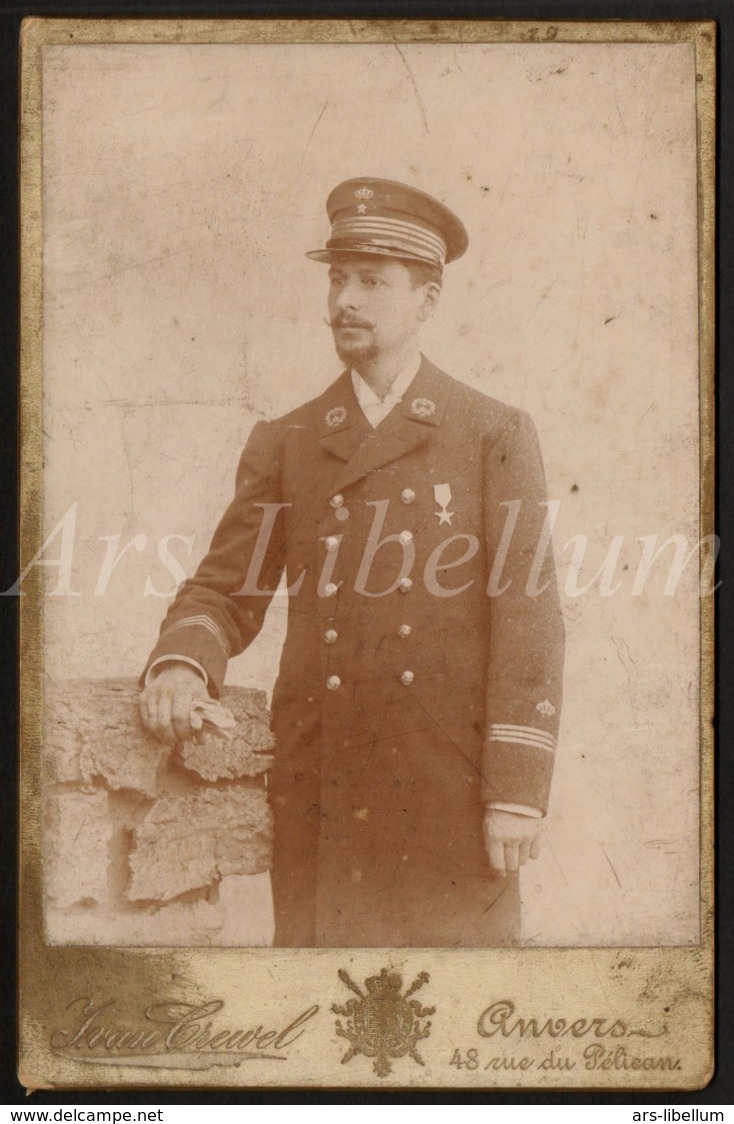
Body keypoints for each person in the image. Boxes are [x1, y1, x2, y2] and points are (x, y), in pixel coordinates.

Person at [139, 177, 565, 947]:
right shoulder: (288, 440)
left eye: (373, 282)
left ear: (428, 299)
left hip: (450, 792)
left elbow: (529, 621)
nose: (346, 301)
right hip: (323, 787)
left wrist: (517, 792)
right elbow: (227, 589)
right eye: (338, 279)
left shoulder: (490, 434)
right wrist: (183, 663)